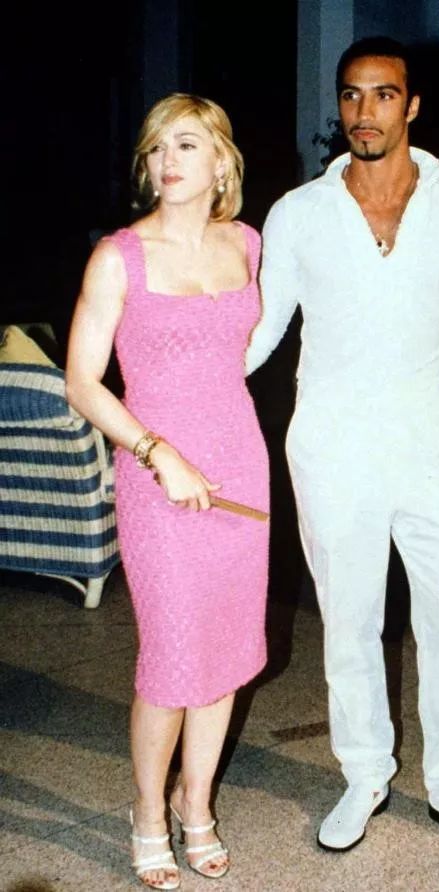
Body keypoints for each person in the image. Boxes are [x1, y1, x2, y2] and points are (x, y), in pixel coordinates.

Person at [246, 37, 439, 858]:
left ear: (413, 105)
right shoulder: (297, 213)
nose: (363, 112)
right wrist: (174, 393)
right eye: (351, 95)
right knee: (350, 621)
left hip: (433, 440)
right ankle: (363, 774)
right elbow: (261, 331)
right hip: (330, 443)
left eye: (383, 94)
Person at [66, 93, 269, 889]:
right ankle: (149, 811)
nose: (168, 160)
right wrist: (160, 452)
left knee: (226, 651)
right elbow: (83, 383)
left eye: (187, 144)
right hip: (157, 473)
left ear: (222, 161)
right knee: (174, 654)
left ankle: (196, 802)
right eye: (157, 148)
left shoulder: (246, 243)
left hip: (241, 464)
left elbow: (241, 354)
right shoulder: (119, 257)